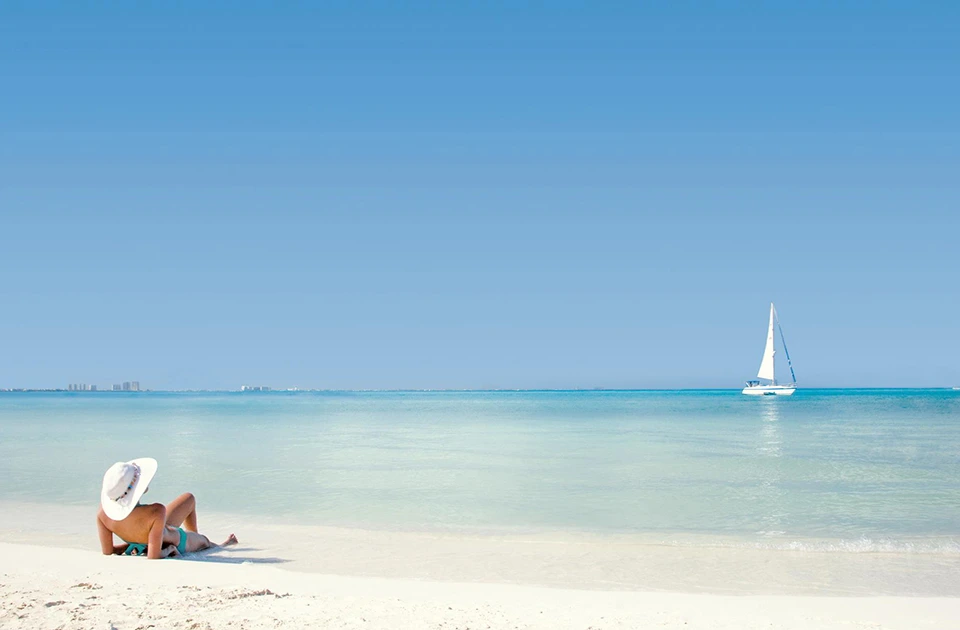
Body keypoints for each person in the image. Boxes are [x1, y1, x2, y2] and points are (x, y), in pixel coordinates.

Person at [97, 457, 237, 559]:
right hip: (176, 540)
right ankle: (218, 546)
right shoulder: (156, 511)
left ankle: (197, 539)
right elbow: (153, 556)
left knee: (189, 498)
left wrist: (132, 545)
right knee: (204, 541)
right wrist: (169, 549)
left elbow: (108, 551)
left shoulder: (102, 515)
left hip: (154, 534)